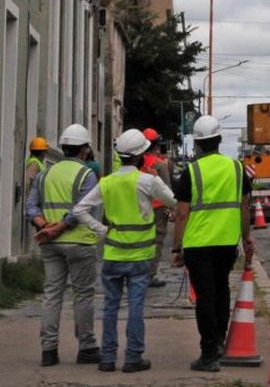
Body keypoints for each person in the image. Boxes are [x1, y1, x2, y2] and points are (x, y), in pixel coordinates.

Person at [62, 129, 177, 373]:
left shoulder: (107, 182)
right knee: (136, 305)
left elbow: (80, 210)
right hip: (140, 256)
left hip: (113, 255)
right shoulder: (147, 181)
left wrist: (102, 230)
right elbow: (173, 201)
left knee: (111, 306)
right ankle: (133, 357)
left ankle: (107, 357)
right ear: (141, 155)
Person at [171, 115, 255, 373]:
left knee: (205, 297)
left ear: (197, 144)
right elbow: (244, 208)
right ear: (219, 140)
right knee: (221, 290)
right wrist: (247, 238)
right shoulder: (237, 169)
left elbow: (182, 214)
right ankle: (219, 340)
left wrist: (177, 248)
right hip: (226, 243)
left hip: (198, 245)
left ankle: (209, 354)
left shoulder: (190, 172)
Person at [26, 124, 99, 368]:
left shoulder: (45, 173)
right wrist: (59, 227)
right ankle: (86, 347)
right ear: (84, 150)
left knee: (52, 295)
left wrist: (44, 225)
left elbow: (31, 207)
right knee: (83, 295)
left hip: (50, 244)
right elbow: (83, 209)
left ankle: (48, 350)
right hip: (79, 242)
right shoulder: (87, 175)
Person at [140, 129, 174, 287]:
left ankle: (138, 272)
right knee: (156, 241)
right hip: (158, 208)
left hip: (139, 207)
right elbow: (167, 190)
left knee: (141, 240)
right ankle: (149, 274)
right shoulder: (159, 165)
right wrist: (172, 207)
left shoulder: (137, 162)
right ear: (156, 145)